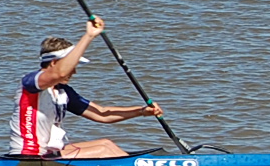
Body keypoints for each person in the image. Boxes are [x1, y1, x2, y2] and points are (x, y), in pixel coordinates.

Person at [9, 16, 163, 158]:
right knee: (103, 151)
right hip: (27, 156)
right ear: (54, 63)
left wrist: (141, 111)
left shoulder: (63, 92)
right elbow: (60, 73)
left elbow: (102, 114)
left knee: (106, 144)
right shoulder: (30, 82)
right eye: (73, 65)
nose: (74, 71)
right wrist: (89, 36)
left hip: (48, 152)